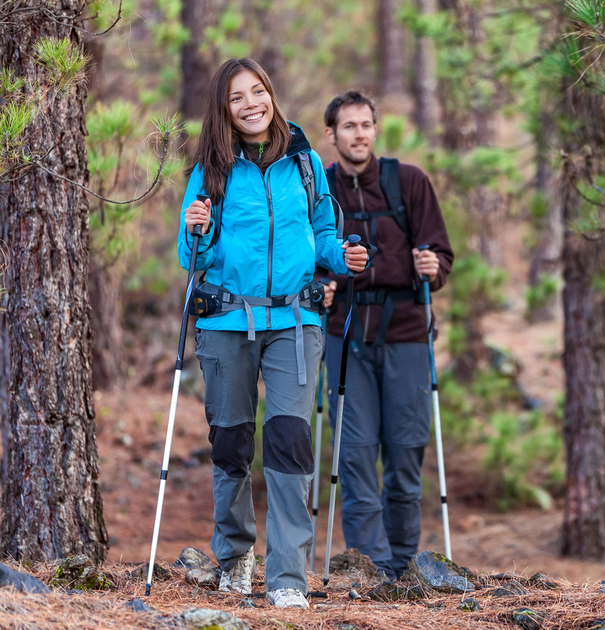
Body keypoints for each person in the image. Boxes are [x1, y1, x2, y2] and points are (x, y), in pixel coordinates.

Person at [178, 58, 368, 608]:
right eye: (237, 97)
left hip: (294, 320)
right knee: (232, 442)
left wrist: (344, 256)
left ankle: (288, 577)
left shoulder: (305, 162)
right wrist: (196, 231)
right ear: (225, 109)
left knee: (289, 443)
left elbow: (323, 235)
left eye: (257, 91)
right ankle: (235, 558)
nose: (250, 104)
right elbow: (191, 258)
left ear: (271, 94)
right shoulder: (211, 169)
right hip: (225, 323)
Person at [317, 90, 454, 580]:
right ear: (330, 134)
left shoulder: (409, 182)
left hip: (407, 336)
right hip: (344, 334)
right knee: (353, 455)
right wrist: (319, 287)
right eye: (349, 126)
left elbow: (441, 255)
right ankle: (372, 569)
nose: (359, 134)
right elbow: (304, 260)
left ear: (376, 130)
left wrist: (431, 265)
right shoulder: (318, 190)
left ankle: (402, 565)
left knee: (405, 450)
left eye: (366, 125)